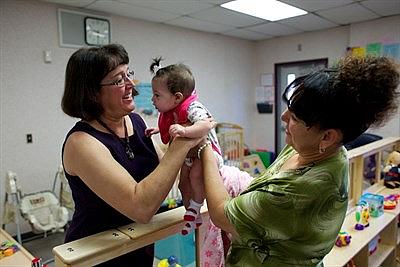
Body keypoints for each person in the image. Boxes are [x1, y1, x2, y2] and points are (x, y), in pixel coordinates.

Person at [199, 56, 400, 266]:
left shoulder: (300, 191)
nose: (283, 117)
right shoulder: (317, 150)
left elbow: (221, 214)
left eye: (295, 118)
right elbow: (271, 187)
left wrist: (207, 150)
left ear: (327, 136)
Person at [61, 44, 209, 267]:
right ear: (91, 92)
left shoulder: (136, 122)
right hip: (96, 254)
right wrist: (182, 142)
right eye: (118, 80)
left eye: (128, 74)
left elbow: (167, 175)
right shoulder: (81, 143)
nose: (131, 84)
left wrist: (199, 154)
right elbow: (141, 207)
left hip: (138, 245)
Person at [145, 57, 224, 235]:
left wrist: (184, 130)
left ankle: (195, 209)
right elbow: (173, 124)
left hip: (207, 154)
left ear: (177, 97)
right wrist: (159, 129)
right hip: (192, 156)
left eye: (157, 95)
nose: (152, 99)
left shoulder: (193, 107)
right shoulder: (173, 111)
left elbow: (206, 124)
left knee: (195, 176)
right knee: (183, 184)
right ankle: (191, 213)